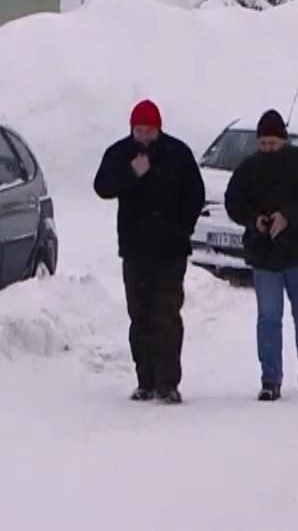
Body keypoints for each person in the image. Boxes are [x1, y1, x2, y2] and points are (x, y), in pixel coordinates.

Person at [94, 99, 205, 405]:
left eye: (149, 130)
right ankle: (145, 380)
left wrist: (182, 229)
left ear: (159, 128)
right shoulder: (120, 153)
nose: (143, 136)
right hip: (135, 249)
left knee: (165, 314)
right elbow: (102, 187)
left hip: (170, 251)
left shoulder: (177, 154)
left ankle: (168, 383)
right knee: (139, 315)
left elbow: (195, 194)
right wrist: (131, 173)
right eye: (138, 130)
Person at [224, 109, 298, 402]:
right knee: (268, 318)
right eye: (263, 143)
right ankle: (270, 378)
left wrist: (288, 216)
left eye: (273, 143)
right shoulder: (248, 169)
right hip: (264, 255)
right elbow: (233, 201)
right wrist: (254, 220)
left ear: (284, 139)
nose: (268, 148)